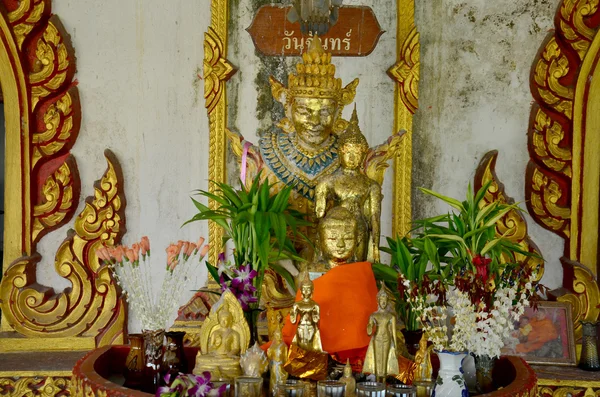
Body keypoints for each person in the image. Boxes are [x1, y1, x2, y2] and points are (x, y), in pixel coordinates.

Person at [315, 108, 382, 263]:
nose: (352, 158)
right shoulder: (329, 181)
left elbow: (374, 218)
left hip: (358, 231)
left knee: (356, 272)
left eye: (357, 153)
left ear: (363, 155)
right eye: (348, 153)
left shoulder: (371, 185)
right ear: (340, 153)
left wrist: (375, 247)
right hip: (334, 232)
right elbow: (319, 218)